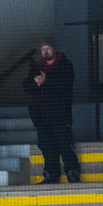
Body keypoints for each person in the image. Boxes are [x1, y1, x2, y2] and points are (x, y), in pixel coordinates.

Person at [23, 40, 81, 184]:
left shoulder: (65, 65)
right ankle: (51, 175)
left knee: (64, 143)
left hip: (60, 114)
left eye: (48, 48)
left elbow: (65, 83)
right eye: (43, 49)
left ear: (54, 49)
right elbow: (26, 85)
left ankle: (72, 173)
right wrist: (36, 83)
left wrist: (46, 80)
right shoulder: (37, 67)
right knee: (47, 146)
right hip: (42, 115)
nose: (45, 51)